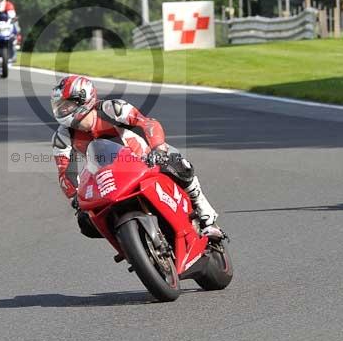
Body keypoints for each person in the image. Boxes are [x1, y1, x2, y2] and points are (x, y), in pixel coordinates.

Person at [49, 74, 224, 239]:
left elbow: (148, 123)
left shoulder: (112, 109)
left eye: (67, 105)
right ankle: (128, 244)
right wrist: (75, 197)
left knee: (178, 164)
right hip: (107, 179)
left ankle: (206, 216)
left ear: (83, 99)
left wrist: (158, 148)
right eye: (60, 106)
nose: (62, 109)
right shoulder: (62, 137)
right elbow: (65, 173)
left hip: (144, 160)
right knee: (86, 221)